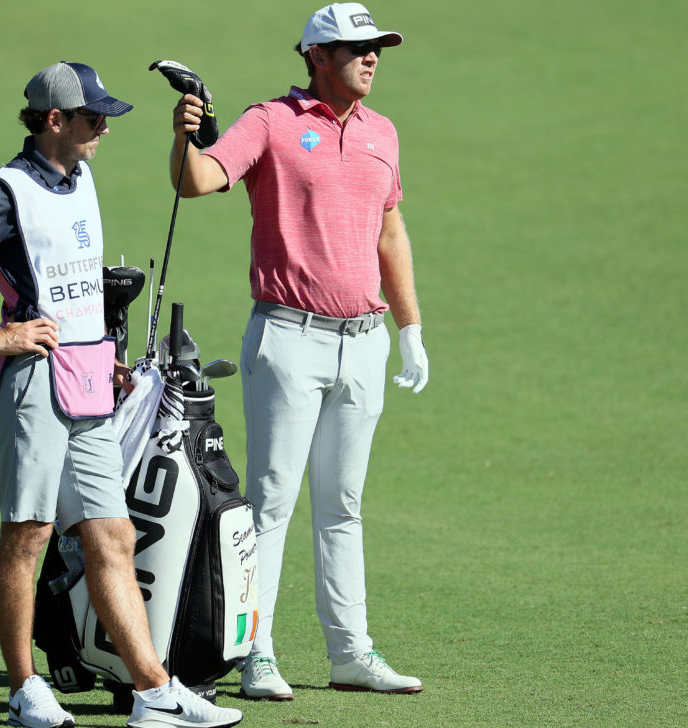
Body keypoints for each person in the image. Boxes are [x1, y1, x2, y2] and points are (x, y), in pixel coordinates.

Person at [0, 61, 243, 728]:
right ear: (55, 121)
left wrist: (103, 354)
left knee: (113, 535)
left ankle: (153, 691)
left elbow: (76, 287)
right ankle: (25, 688)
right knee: (28, 535)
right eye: (91, 117)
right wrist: (1, 335)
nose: (103, 127)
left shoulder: (82, 177)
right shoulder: (4, 193)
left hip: (89, 385)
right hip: (34, 387)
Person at [165, 3, 429, 700]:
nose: (371, 58)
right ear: (315, 55)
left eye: (376, 48)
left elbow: (390, 234)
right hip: (289, 339)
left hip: (363, 343)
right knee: (273, 501)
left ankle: (351, 652)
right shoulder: (271, 122)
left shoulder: (383, 133)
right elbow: (196, 181)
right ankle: (256, 653)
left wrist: (411, 329)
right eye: (354, 48)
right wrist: (184, 137)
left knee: (343, 504)